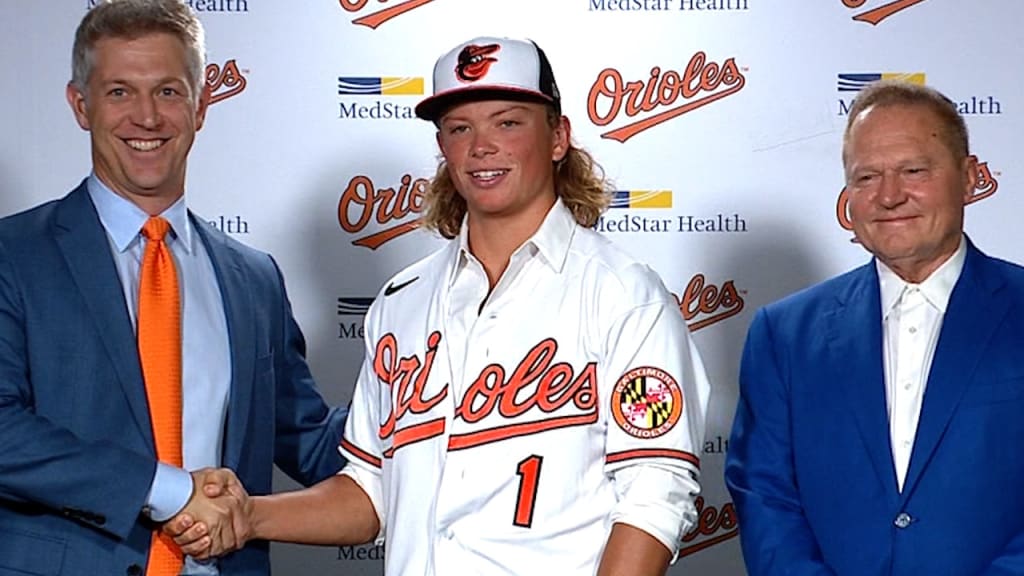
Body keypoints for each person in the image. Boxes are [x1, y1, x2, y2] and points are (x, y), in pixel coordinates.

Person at [171, 35, 711, 576]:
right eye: (459, 128)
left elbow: (655, 492)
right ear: (443, 148)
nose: (481, 147)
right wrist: (247, 516)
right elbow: (370, 493)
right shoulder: (401, 303)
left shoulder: (623, 295)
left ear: (557, 137)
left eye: (507, 122)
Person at [0, 1, 346, 575]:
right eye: (119, 92)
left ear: (201, 105)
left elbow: (308, 440)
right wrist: (168, 489)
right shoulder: (14, 256)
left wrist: (436, 415)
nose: (147, 117)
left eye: (167, 91)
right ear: (80, 105)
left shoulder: (254, 278)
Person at [725, 79, 1024, 575]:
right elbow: (766, 498)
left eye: (913, 170)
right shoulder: (783, 334)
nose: (889, 196)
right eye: (866, 178)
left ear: (970, 177)